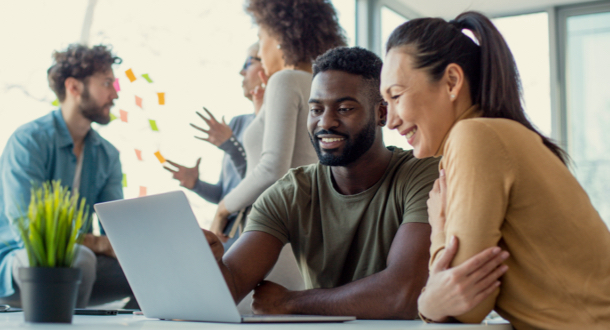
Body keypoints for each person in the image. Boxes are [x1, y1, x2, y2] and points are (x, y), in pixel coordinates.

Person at [381, 11, 610, 329]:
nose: (390, 120)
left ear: (451, 82)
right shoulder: (495, 135)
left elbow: (466, 306)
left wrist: (439, 222)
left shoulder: (473, 137)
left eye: (396, 96)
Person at [201, 46, 440, 319]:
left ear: (382, 114)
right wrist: (212, 262)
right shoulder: (290, 193)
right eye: (316, 109)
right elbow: (229, 287)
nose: (325, 122)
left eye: (345, 108)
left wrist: (291, 302)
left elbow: (403, 295)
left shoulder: (423, 174)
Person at [0, 44, 137, 309]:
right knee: (81, 258)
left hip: (79, 264)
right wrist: (97, 242)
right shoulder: (29, 141)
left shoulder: (107, 154)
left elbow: (117, 233)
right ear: (74, 87)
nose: (115, 94)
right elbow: (30, 230)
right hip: (18, 260)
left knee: (155, 267)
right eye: (107, 83)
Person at [208, 0, 346, 242]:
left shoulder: (285, 81)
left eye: (261, 38)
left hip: (271, 231)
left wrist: (223, 208)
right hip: (304, 228)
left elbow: (272, 169)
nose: (260, 52)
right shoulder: (320, 85)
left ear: (280, 34)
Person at [164, 43, 264, 249]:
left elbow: (261, 181)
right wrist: (197, 185)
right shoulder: (237, 123)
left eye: (249, 62)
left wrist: (230, 146)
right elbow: (224, 194)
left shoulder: (274, 126)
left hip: (251, 234)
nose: (241, 71)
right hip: (226, 234)